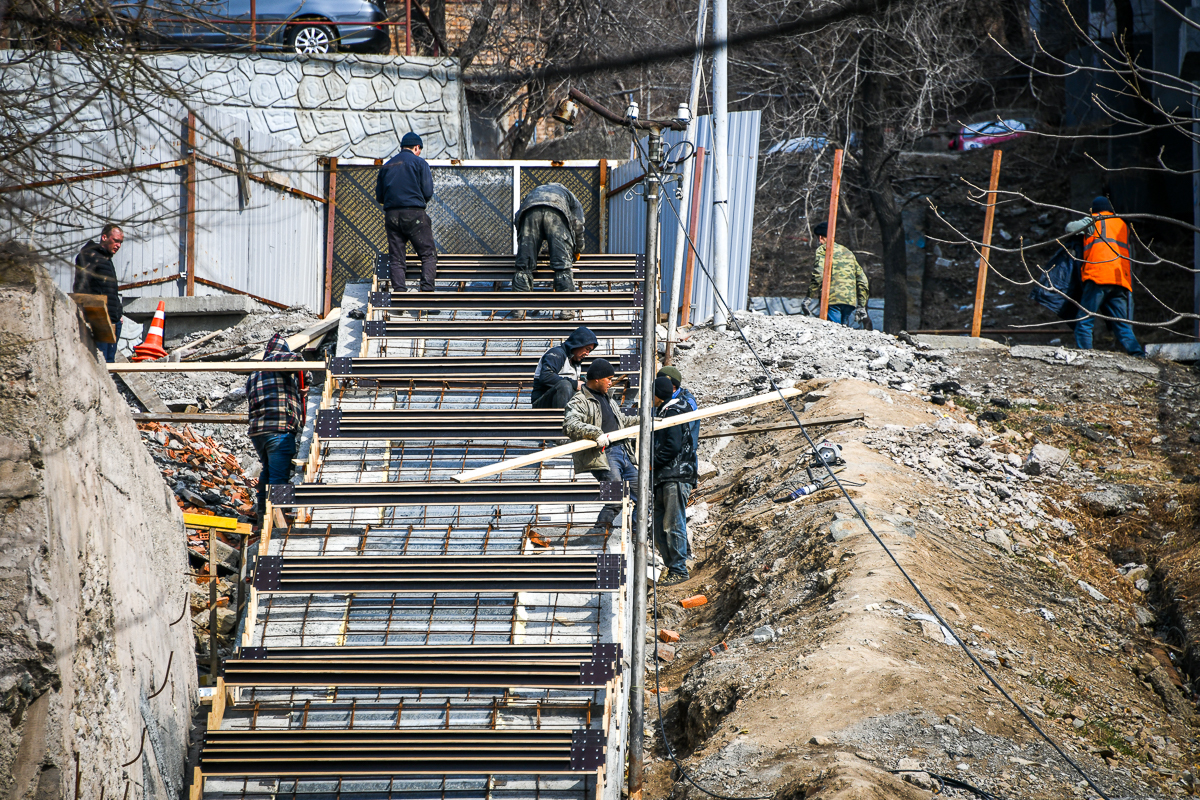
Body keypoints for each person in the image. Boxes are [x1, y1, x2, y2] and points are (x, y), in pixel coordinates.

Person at [563, 358, 639, 536]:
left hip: (623, 452)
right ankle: (599, 533)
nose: (611, 382)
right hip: (604, 456)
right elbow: (569, 424)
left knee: (645, 496)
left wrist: (647, 419)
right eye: (608, 378)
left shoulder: (608, 398)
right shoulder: (579, 401)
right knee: (615, 497)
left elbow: (623, 421)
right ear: (597, 379)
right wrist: (595, 433)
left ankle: (637, 535)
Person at [1069, 196, 1145, 357]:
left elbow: (1069, 227)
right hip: (1120, 280)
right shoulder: (1122, 225)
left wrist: (1089, 218)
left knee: (1085, 319)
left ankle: (1086, 355)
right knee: (1122, 324)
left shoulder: (1094, 221)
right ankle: (1138, 354)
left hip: (1098, 276)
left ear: (1094, 210)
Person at [246, 333, 306, 527]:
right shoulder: (278, 359)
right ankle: (278, 522)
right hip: (279, 430)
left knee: (268, 472)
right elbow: (297, 360)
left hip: (258, 433)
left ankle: (264, 516)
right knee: (280, 477)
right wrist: (306, 378)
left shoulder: (254, 373)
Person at [376, 132, 437, 292]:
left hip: (392, 215)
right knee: (428, 255)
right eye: (419, 150)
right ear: (416, 147)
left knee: (396, 257)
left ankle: (399, 297)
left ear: (402, 147)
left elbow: (380, 196)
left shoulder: (387, 165)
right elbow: (428, 192)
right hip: (414, 213)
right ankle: (427, 295)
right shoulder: (420, 163)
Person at [651, 375, 697, 586]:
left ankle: (679, 569)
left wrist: (652, 462)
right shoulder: (664, 411)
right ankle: (673, 568)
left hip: (676, 475)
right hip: (664, 476)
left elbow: (673, 446)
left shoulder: (674, 412)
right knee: (661, 527)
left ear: (657, 395)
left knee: (672, 523)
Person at [513, 183, 586, 293]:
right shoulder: (569, 196)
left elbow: (518, 217)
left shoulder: (534, 192)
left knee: (524, 266)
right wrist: (577, 249)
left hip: (529, 212)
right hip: (556, 213)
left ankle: (518, 308)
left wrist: (525, 246)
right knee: (562, 266)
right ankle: (566, 308)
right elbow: (578, 225)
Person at [74, 224, 124, 362]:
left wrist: (118, 313)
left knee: (109, 361)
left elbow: (111, 290)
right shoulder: (90, 256)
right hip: (99, 318)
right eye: (116, 240)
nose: (118, 245)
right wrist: (85, 312)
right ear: (104, 237)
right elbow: (80, 286)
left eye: (121, 242)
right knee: (100, 363)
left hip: (113, 319)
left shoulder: (106, 259)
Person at [805, 221, 869, 327]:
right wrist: (862, 305)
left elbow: (818, 274)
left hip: (832, 299)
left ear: (821, 237)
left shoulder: (823, 250)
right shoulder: (848, 252)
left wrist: (809, 297)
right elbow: (863, 280)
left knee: (833, 330)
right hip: (850, 301)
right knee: (841, 331)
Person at [531, 326, 597, 409]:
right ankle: (562, 420)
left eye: (590, 351)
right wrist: (575, 384)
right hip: (542, 403)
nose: (587, 353)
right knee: (564, 385)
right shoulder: (557, 354)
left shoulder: (576, 362)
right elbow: (546, 376)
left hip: (564, 402)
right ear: (578, 344)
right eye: (587, 349)